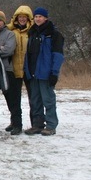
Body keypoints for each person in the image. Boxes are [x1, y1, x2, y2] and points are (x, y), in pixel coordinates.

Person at [24, 7, 64, 136]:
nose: (37, 19)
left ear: (46, 18)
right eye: (36, 17)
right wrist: (26, 71)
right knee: (35, 101)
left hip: (46, 74)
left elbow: (58, 55)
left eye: (40, 16)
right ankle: (37, 125)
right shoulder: (32, 33)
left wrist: (54, 73)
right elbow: (28, 54)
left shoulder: (54, 34)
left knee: (48, 100)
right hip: (33, 73)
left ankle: (51, 125)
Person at [5, 5, 34, 135]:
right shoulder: (11, 32)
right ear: (16, 18)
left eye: (24, 17)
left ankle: (36, 123)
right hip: (14, 69)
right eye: (20, 17)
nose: (22, 19)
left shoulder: (33, 32)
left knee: (33, 98)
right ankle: (15, 122)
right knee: (14, 99)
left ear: (28, 18)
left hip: (29, 70)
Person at [0, 10, 16, 132]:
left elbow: (9, 50)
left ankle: (16, 124)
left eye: (0, 20)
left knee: (12, 99)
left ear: (4, 22)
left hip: (7, 70)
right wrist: (0, 48)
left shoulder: (10, 34)